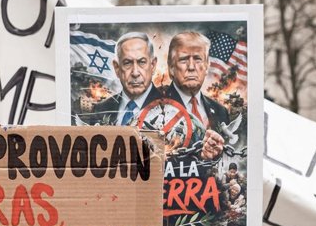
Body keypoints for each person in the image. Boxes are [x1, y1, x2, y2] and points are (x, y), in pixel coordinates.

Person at [163, 31, 228, 159]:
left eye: (198, 59)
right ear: (171, 67)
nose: (191, 67)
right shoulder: (152, 106)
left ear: (207, 66)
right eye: (183, 59)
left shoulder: (221, 112)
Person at [80, 32, 164, 127]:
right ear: (117, 68)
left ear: (153, 65)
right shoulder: (100, 110)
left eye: (142, 62)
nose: (135, 73)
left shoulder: (171, 109)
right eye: (127, 63)